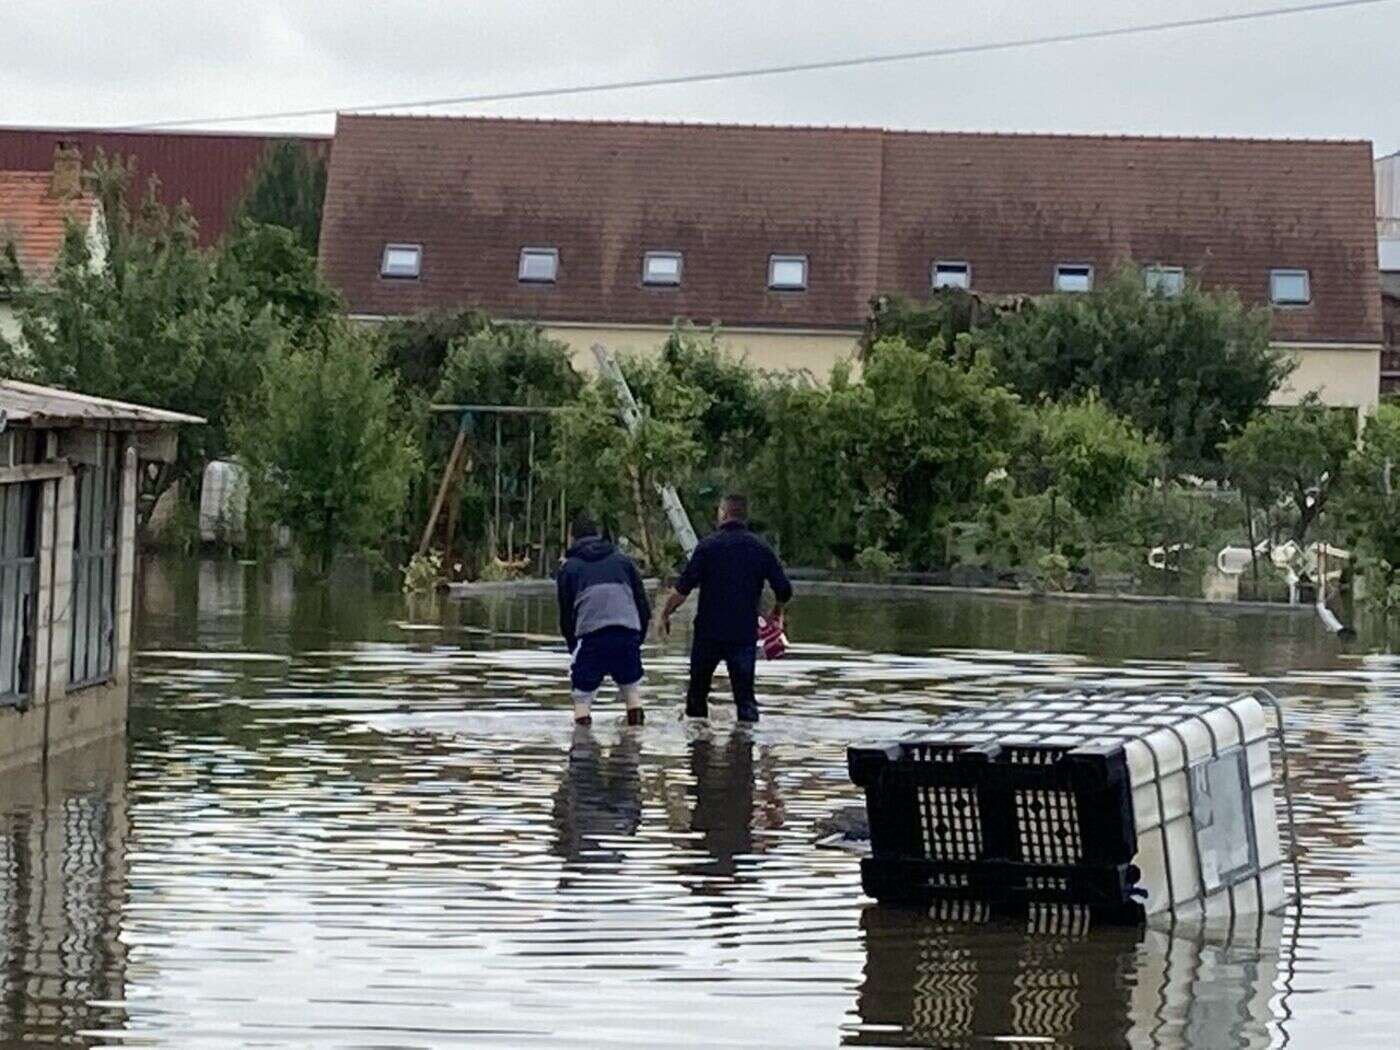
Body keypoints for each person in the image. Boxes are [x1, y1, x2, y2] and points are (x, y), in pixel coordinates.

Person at [660, 493, 793, 723]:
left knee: (696, 697)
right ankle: (746, 748)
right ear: (744, 515)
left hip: (708, 634)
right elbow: (784, 589)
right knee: (745, 700)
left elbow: (683, 590)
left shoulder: (707, 547)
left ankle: (697, 750)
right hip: (742, 635)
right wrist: (777, 610)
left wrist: (665, 613)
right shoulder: (760, 548)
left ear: (723, 513)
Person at [556, 512, 651, 726]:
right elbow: (643, 606)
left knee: (581, 697)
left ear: (572, 537)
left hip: (591, 637)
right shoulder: (624, 561)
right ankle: (635, 745)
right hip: (627, 632)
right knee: (631, 691)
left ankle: (582, 748)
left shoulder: (569, 568)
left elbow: (565, 615)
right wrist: (637, 638)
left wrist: (574, 646)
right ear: (598, 535)